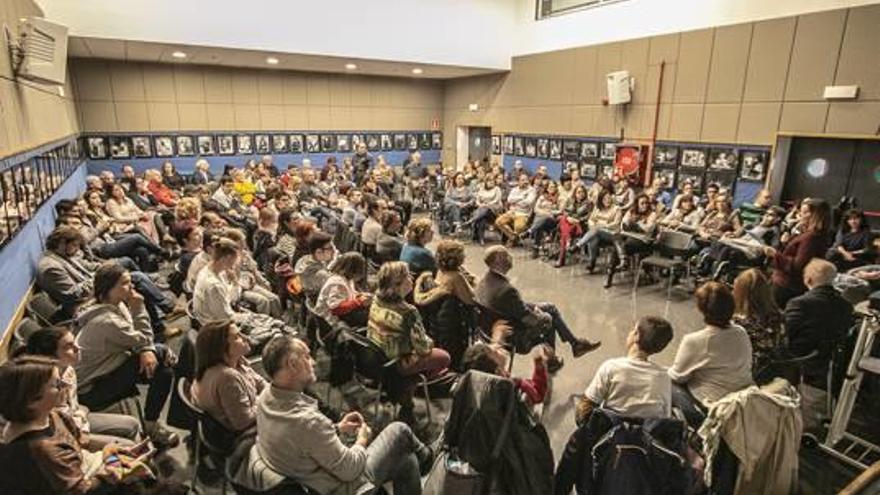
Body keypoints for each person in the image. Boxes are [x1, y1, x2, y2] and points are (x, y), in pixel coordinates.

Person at [255, 335, 433, 494]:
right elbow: (350, 470)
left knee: (406, 460)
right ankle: (429, 457)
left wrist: (337, 428)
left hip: (310, 475)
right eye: (307, 357)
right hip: (340, 487)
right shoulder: (308, 422)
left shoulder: (265, 398)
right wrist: (362, 439)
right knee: (398, 430)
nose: (314, 362)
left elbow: (302, 439)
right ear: (292, 365)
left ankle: (424, 458)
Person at [0, 357, 178, 494]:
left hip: (87, 466)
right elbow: (82, 490)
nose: (66, 385)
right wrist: (114, 472)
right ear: (32, 401)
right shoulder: (42, 451)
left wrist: (112, 449)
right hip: (90, 480)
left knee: (141, 461)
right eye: (57, 384)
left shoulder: (49, 413)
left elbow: (79, 442)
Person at [75, 262, 180, 448]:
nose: (131, 287)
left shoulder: (114, 305)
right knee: (162, 361)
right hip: (89, 391)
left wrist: (146, 349)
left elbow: (137, 341)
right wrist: (139, 308)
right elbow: (142, 338)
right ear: (108, 289)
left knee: (161, 363)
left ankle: (152, 423)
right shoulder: (107, 320)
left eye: (130, 282)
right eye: (124, 283)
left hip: (106, 369)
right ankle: (152, 426)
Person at [475, 246, 600, 373]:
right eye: (506, 255)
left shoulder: (484, 281)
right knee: (548, 320)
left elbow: (511, 306)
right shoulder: (506, 290)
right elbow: (530, 320)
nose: (510, 257)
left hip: (490, 329)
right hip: (514, 336)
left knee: (550, 307)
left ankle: (573, 345)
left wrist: (533, 308)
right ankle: (554, 359)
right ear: (497, 259)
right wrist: (541, 316)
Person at [23, 326, 141, 448]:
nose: (78, 348)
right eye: (68, 347)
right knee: (127, 446)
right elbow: (59, 426)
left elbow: (74, 407)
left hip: (77, 421)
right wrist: (82, 430)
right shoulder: (46, 387)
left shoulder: (69, 370)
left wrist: (82, 421)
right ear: (51, 357)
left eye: (74, 343)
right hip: (63, 435)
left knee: (132, 424)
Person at [368, 262, 452, 422]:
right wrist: (430, 341)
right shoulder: (408, 312)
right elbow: (423, 348)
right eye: (407, 275)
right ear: (397, 284)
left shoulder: (376, 298)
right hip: (397, 362)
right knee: (445, 357)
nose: (411, 278)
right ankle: (407, 389)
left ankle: (404, 389)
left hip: (376, 356)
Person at [668, 282, 753, 426]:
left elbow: (678, 376)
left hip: (713, 405)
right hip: (743, 397)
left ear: (701, 309)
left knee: (666, 382)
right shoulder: (741, 332)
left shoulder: (695, 341)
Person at [575, 316, 674, 422]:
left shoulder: (611, 367)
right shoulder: (664, 377)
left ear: (636, 336)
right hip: (645, 436)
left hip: (611, 434)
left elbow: (584, 410)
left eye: (633, 330)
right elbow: (665, 417)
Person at [192, 320, 266, 435]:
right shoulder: (226, 377)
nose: (245, 337)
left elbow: (260, 382)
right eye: (237, 337)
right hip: (243, 435)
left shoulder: (237, 361)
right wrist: (269, 399)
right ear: (222, 349)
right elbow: (243, 422)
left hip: (253, 410)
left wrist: (272, 393)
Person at [784, 259, 854, 372]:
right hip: (830, 361)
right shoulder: (846, 306)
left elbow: (786, 331)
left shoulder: (799, 303)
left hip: (800, 359)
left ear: (808, 279)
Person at [764, 198, 832, 308]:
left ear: (815, 215)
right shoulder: (812, 234)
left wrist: (774, 254)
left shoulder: (811, 238)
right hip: (788, 283)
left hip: (788, 285)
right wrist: (784, 243)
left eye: (804, 212)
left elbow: (798, 266)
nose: (800, 215)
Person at [731, 268, 784, 371]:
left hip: (746, 374)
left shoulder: (737, 324)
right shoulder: (779, 317)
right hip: (774, 371)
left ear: (739, 292)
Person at [605, 193, 658, 288]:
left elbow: (648, 229)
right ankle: (623, 259)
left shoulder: (652, 214)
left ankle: (616, 268)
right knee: (616, 237)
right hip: (630, 236)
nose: (645, 205)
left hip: (644, 240)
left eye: (646, 203)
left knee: (619, 248)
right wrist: (636, 224)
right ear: (637, 204)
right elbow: (624, 224)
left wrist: (635, 223)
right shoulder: (631, 211)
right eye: (642, 203)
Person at [315, 252, 371, 328]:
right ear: (353, 270)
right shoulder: (337, 283)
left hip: (341, 315)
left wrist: (359, 296)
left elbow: (348, 295)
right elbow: (336, 308)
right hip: (330, 321)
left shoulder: (348, 279)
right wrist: (359, 301)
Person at [571, 189, 621, 274]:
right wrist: (593, 226)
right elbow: (591, 220)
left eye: (609, 198)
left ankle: (578, 246)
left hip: (612, 235)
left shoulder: (616, 209)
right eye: (604, 199)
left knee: (595, 231)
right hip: (597, 233)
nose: (607, 200)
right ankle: (592, 263)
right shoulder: (598, 208)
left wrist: (602, 225)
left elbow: (616, 223)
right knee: (593, 236)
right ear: (601, 200)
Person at [495, 173, 536, 247]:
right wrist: (521, 197)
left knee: (518, 227)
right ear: (518, 181)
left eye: (526, 179)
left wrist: (515, 202)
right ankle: (513, 237)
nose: (525, 182)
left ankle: (512, 239)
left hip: (523, 214)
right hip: (512, 212)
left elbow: (528, 202)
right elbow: (509, 200)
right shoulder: (515, 189)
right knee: (498, 222)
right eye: (522, 180)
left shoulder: (531, 190)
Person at [555, 184, 591, 267]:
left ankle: (561, 259)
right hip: (568, 225)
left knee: (564, 226)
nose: (580, 194)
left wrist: (577, 220)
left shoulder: (588, 203)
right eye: (578, 192)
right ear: (575, 193)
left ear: (585, 193)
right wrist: (568, 217)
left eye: (582, 192)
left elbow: (589, 216)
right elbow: (564, 211)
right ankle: (568, 240)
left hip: (579, 226)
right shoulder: (570, 200)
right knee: (563, 219)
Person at [293, 231, 335, 300]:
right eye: (330, 248)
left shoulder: (303, 260)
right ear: (318, 252)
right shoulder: (321, 275)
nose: (333, 250)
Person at [525, 181, 562, 257]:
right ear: (547, 188)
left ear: (556, 188)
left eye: (553, 187)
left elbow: (560, 211)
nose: (552, 189)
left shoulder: (559, 197)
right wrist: (546, 213)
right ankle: (535, 248)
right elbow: (536, 209)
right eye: (550, 187)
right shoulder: (542, 197)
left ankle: (530, 233)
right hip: (542, 219)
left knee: (542, 219)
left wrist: (550, 212)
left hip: (552, 221)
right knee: (540, 224)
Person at [466, 175, 503, 245]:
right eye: (489, 181)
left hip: (493, 210)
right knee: (482, 219)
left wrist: (488, 204)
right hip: (482, 209)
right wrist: (480, 204)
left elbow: (497, 200)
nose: (491, 182)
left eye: (492, 181)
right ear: (486, 182)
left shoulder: (497, 189)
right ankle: (481, 239)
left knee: (485, 209)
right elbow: (477, 200)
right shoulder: (482, 189)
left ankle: (472, 220)